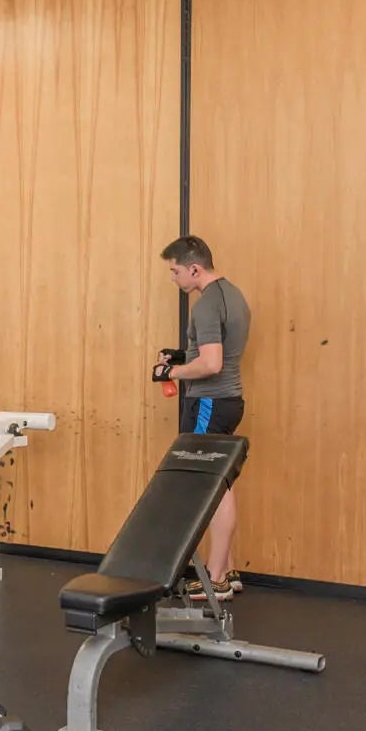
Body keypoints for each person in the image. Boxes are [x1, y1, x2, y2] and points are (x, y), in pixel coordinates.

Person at [156, 234, 250, 594]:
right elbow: (218, 352)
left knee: (210, 487)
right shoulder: (233, 295)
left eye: (175, 271)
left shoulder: (207, 305)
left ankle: (217, 578)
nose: (173, 278)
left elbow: (211, 364)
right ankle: (228, 570)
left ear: (194, 269)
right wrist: (182, 356)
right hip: (228, 400)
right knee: (218, 484)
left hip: (209, 402)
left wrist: (171, 372)